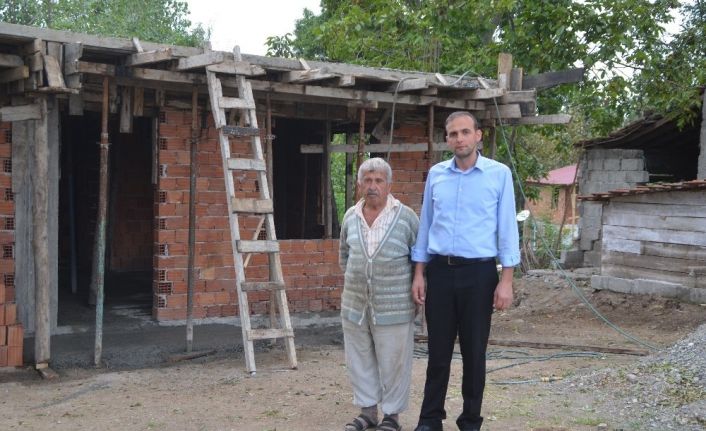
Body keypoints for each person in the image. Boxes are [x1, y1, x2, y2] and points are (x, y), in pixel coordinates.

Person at [411, 112, 520, 431]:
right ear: (447, 139)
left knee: (474, 353)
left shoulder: (498, 175)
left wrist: (506, 281)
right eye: (453, 134)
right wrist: (419, 273)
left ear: (478, 135)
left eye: (465, 132)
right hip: (440, 272)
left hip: (479, 275)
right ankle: (430, 419)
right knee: (438, 352)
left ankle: (470, 420)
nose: (459, 138)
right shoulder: (436, 174)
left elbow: (507, 228)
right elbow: (426, 225)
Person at [339, 157, 420, 431]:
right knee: (359, 359)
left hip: (395, 306)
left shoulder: (406, 217)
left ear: (389, 185)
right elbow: (344, 256)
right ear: (360, 184)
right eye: (367, 181)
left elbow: (419, 259)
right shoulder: (350, 216)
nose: (372, 186)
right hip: (355, 305)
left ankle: (392, 416)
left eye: (378, 181)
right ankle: (368, 413)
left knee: (394, 362)